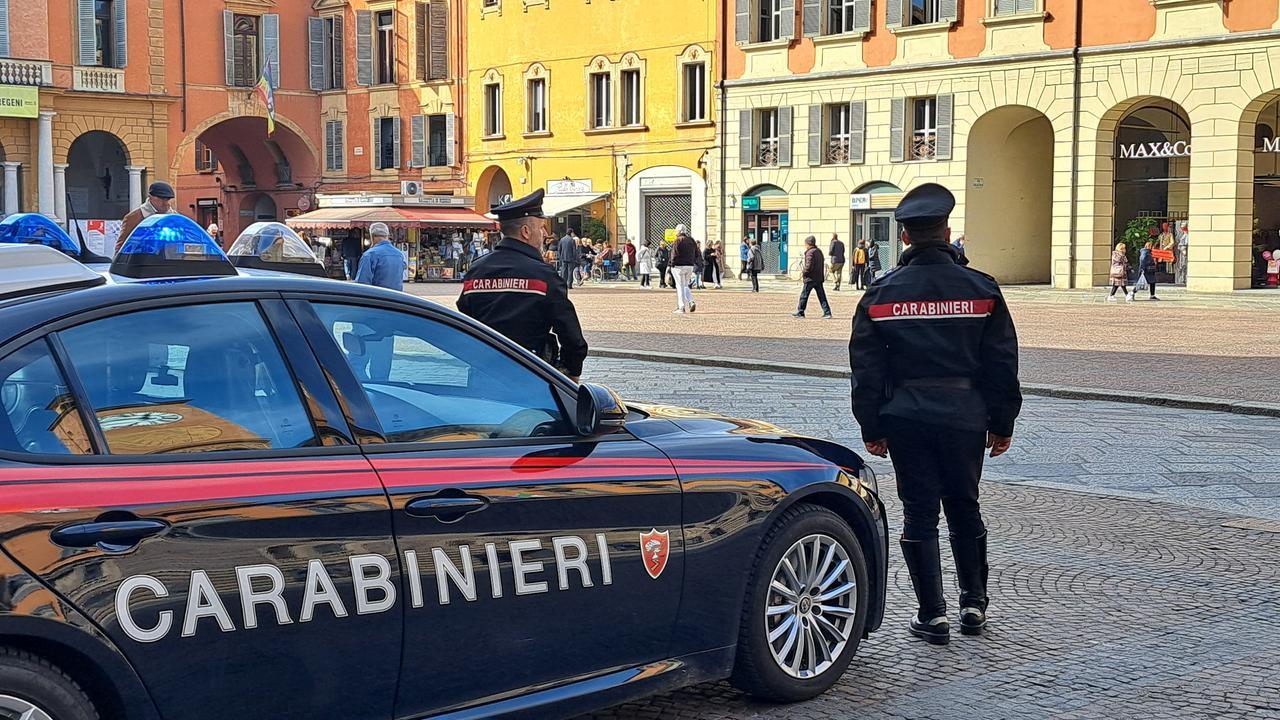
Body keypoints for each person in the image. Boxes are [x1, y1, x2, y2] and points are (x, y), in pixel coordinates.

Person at [850, 183, 1022, 647]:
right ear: (946, 231)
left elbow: (866, 368)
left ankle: (933, 614)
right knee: (965, 505)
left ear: (903, 237)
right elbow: (1002, 361)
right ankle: (973, 604)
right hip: (966, 414)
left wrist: (872, 426)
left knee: (919, 511)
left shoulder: (881, 293)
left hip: (906, 415)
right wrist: (1002, 422)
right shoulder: (982, 288)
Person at [457, 190, 588, 382]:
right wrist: (572, 373)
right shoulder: (544, 276)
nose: (544, 234)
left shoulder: (476, 270)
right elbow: (571, 336)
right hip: (530, 375)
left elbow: (464, 321)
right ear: (526, 232)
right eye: (541, 228)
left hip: (482, 376)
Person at [117, 181, 176, 251]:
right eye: (162, 199)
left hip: (169, 260)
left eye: (168, 199)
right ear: (150, 198)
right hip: (142, 259)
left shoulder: (175, 217)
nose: (166, 203)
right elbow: (121, 246)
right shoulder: (133, 218)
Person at [354, 222, 408, 292]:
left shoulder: (369, 255)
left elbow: (362, 284)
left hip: (377, 299)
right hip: (396, 299)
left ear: (371, 236)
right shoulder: (399, 254)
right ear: (387, 236)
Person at [791, 236, 832, 319]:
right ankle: (827, 312)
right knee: (821, 296)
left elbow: (809, 266)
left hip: (810, 278)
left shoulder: (810, 252)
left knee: (804, 295)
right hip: (818, 277)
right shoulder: (819, 251)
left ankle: (800, 312)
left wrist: (804, 273)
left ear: (808, 244)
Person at [671, 225, 699, 314]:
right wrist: (692, 261)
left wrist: (671, 264)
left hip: (678, 266)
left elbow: (674, 254)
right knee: (685, 285)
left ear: (678, 231)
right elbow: (697, 253)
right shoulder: (691, 240)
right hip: (689, 266)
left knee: (679, 286)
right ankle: (691, 301)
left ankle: (681, 307)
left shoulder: (677, 240)